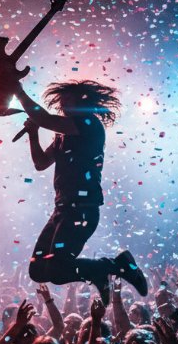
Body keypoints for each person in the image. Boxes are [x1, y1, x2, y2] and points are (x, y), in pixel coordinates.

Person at [15, 81, 148, 304]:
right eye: (62, 100)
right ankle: (99, 272)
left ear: (82, 102)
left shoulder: (88, 124)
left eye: (69, 99)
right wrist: (33, 134)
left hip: (82, 210)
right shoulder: (62, 135)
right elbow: (40, 163)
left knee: (57, 271)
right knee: (38, 271)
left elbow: (45, 119)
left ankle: (115, 265)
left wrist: (19, 92)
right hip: (62, 210)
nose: (63, 104)